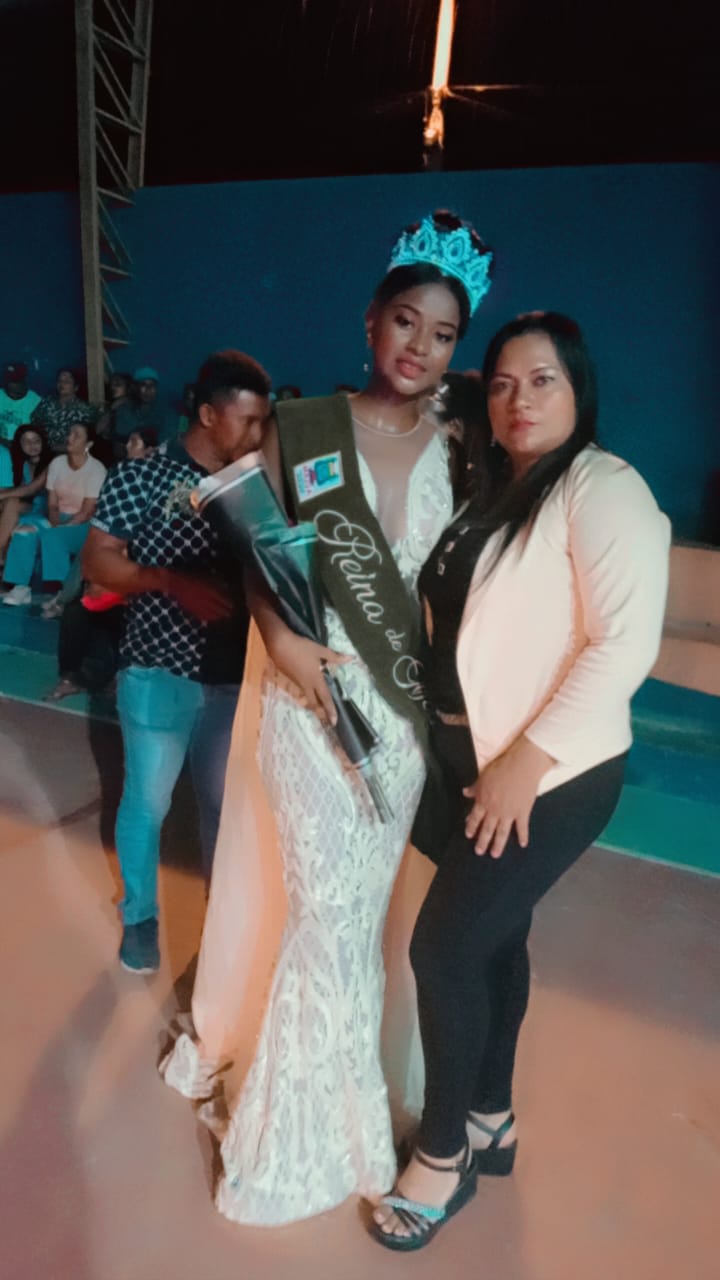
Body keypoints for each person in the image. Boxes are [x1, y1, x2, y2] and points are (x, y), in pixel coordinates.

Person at [159, 210, 494, 1225]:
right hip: (305, 701)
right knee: (326, 913)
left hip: (397, 719)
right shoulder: (300, 426)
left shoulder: (461, 450)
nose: (419, 346)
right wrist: (287, 645)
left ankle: (343, 1117)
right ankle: (310, 1136)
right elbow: (259, 560)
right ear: (371, 320)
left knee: (360, 918)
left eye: (443, 334)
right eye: (406, 321)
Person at [369, 311, 671, 1251]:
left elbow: (623, 645)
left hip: (550, 770)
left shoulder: (603, 487)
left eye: (542, 381)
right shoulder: (498, 493)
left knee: (443, 952)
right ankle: (492, 1118)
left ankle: (444, 1157)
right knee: (494, 942)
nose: (519, 399)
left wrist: (524, 766)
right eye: (501, 383)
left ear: (579, 391)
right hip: (469, 757)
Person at [82, 350, 273, 974]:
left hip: (233, 678)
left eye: (263, 421)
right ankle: (139, 917)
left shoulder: (257, 486)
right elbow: (97, 560)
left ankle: (221, 936)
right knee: (149, 803)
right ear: (209, 414)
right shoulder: (142, 477)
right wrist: (166, 580)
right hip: (158, 671)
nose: (257, 434)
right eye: (247, 421)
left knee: (224, 809)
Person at [2, 421, 106, 606]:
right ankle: (20, 588)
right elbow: (52, 504)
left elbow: (87, 511)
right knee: (24, 532)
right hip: (54, 517)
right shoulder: (57, 463)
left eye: (76, 435)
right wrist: (54, 524)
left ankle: (61, 592)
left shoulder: (96, 469)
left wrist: (60, 529)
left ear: (88, 444)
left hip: (82, 523)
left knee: (55, 537)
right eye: (69, 433)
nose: (69, 438)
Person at [0, 424, 53, 568]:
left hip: (43, 506)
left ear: (43, 442)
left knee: (11, 502)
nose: (32, 445)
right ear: (20, 444)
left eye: (36, 441)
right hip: (24, 504)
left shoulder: (52, 462)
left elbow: (31, 489)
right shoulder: (21, 463)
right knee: (10, 502)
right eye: (26, 441)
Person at [31, 366, 96, 454]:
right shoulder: (47, 402)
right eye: (59, 381)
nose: (62, 384)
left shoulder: (84, 410)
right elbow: (35, 423)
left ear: (76, 387)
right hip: (45, 452)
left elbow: (86, 440)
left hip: (71, 455)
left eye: (67, 382)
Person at [0, 363, 41, 447]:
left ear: (23, 381)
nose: (9, 384)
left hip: (22, 447)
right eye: (8, 380)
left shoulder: (35, 401)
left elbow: (37, 434)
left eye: (14, 381)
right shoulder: (1, 394)